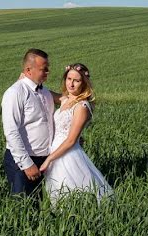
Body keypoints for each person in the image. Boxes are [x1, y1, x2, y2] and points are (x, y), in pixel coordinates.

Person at [40, 63, 113, 203]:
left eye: (76, 80)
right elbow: (42, 91)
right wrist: (25, 80)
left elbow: (71, 140)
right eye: (68, 79)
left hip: (66, 154)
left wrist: (49, 159)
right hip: (55, 151)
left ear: (84, 83)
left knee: (71, 194)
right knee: (58, 194)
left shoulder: (82, 106)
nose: (71, 84)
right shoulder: (64, 99)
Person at [1, 48, 62, 196]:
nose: (48, 72)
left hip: (47, 160)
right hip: (24, 161)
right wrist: (27, 164)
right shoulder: (15, 93)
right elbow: (11, 131)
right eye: (44, 69)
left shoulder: (44, 92)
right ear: (29, 70)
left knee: (43, 205)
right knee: (24, 207)